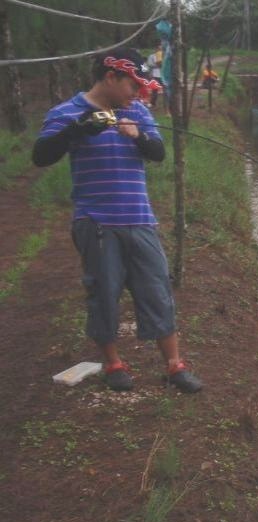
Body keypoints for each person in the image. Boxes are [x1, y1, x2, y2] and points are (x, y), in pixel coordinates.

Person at [31, 47, 203, 394]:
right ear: (111, 78)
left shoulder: (136, 111)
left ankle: (174, 366)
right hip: (95, 222)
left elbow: (158, 153)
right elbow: (41, 156)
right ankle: (113, 364)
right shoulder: (66, 112)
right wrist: (78, 130)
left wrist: (136, 135)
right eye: (132, 85)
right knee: (104, 293)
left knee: (157, 290)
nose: (137, 93)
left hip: (140, 219)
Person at [146, 44, 163, 108]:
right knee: (155, 89)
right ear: (156, 49)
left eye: (161, 49)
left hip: (162, 74)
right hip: (155, 74)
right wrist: (157, 65)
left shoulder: (163, 56)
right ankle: (153, 103)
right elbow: (149, 65)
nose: (160, 50)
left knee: (166, 89)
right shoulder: (152, 56)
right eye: (158, 48)